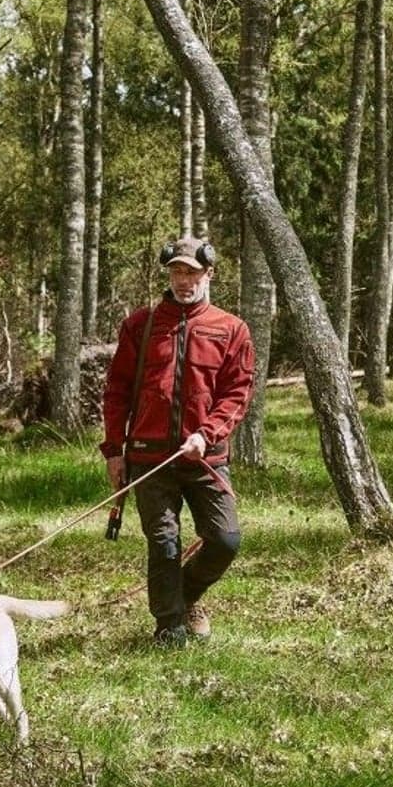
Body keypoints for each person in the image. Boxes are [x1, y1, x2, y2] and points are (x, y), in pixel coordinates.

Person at [100, 235, 255, 647]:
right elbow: (116, 390)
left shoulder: (231, 329)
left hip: (206, 459)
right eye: (176, 272)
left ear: (210, 274)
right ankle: (169, 627)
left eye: (192, 272)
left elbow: (237, 393)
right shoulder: (141, 324)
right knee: (165, 542)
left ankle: (186, 596)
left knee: (225, 540)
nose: (184, 280)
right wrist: (114, 450)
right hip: (148, 458)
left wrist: (207, 436)